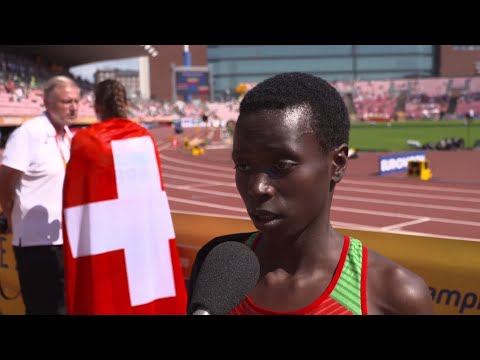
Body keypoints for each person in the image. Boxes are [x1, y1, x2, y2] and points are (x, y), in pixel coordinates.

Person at [187, 72, 433, 315]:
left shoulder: (394, 295)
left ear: (337, 163)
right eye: (244, 166)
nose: (257, 187)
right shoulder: (218, 270)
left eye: (281, 165)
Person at [62, 79, 187, 314]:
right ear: (126, 104)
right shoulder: (145, 138)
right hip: (141, 238)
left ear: (97, 106)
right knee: (144, 297)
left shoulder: (87, 141)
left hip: (103, 240)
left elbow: (75, 199)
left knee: (106, 298)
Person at [0, 75, 80, 315]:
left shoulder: (68, 137)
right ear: (47, 102)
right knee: (42, 308)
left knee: (65, 308)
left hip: (64, 239)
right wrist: (10, 214)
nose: (74, 107)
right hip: (35, 243)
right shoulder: (28, 134)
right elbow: (5, 180)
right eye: (67, 101)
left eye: (76, 101)